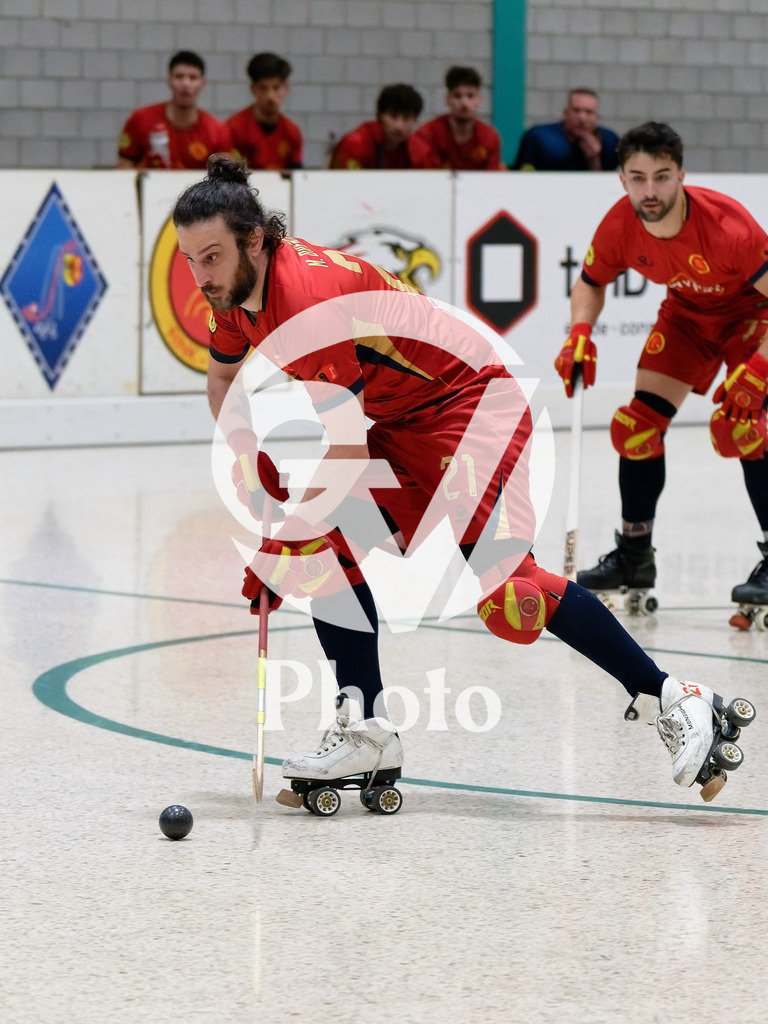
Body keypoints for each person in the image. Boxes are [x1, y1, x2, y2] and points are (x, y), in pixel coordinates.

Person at [171, 154, 754, 804]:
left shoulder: (306, 298)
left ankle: (676, 699)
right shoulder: (234, 295)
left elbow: (340, 448)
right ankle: (367, 732)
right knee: (324, 557)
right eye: (190, 260)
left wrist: (283, 540)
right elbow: (223, 378)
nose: (201, 277)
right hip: (396, 424)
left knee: (510, 589)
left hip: (470, 407)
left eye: (213, 257)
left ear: (256, 239)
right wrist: (249, 451)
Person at [555, 121, 768, 619]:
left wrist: (759, 366)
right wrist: (579, 333)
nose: (650, 190)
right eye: (638, 177)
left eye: (662, 176)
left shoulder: (729, 228)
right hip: (687, 318)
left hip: (752, 318)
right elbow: (590, 282)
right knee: (635, 429)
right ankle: (634, 557)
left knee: (742, 427)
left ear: (681, 175)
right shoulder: (619, 224)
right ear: (622, 179)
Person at [117, 50, 233, 169]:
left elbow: (224, 180)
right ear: (169, 81)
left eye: (193, 78)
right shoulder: (140, 119)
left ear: (202, 84)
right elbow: (124, 167)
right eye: (179, 76)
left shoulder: (218, 131)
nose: (185, 84)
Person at [413, 65, 502, 171]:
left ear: (479, 99)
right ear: (447, 99)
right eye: (457, 96)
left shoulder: (490, 137)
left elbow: (492, 179)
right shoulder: (427, 134)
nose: (464, 103)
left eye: (470, 96)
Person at [226, 52, 303, 171]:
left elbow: (296, 176)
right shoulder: (233, 128)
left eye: (276, 88)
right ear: (253, 89)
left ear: (286, 88)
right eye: (263, 88)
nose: (270, 96)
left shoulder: (292, 131)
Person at [330, 84, 435, 170]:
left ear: (415, 120)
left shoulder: (420, 150)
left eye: (406, 118)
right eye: (393, 117)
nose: (399, 126)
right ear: (380, 116)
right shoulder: (356, 144)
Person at [512, 88, 619, 171]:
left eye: (589, 112)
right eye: (576, 110)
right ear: (565, 113)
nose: (582, 118)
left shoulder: (610, 141)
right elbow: (522, 176)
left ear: (597, 117)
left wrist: (594, 161)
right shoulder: (539, 137)